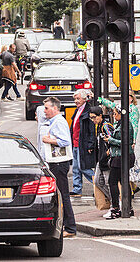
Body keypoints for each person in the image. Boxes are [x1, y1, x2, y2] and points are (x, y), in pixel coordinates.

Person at [39, 97, 77, 237]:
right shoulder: (54, 122)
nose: (45, 111)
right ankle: (65, 225)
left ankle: (71, 227)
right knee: (59, 195)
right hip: (56, 163)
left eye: (47, 108)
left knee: (63, 195)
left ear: (55, 108)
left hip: (59, 163)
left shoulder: (59, 122)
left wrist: (49, 140)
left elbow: (65, 141)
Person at [71, 89, 97, 195]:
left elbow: (91, 130)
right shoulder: (77, 110)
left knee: (83, 167)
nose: (76, 101)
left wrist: (90, 144)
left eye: (78, 99)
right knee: (75, 168)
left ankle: (99, 184)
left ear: (84, 99)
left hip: (83, 144)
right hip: (75, 143)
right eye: (75, 99)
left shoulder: (88, 111)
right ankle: (77, 189)